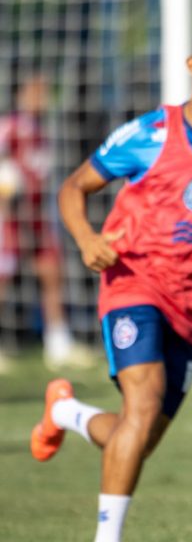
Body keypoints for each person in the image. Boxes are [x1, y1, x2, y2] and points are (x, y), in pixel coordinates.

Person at [31, 22, 192, 542]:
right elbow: (73, 189)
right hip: (132, 282)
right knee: (143, 407)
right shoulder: (149, 134)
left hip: (188, 305)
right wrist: (89, 240)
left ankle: (64, 411)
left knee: (137, 436)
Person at [0, 71, 95, 373]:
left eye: (45, 90)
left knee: (52, 276)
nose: (41, 96)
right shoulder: (10, 127)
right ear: (22, 93)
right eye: (36, 90)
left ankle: (58, 345)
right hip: (10, 220)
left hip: (38, 216)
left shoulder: (43, 129)